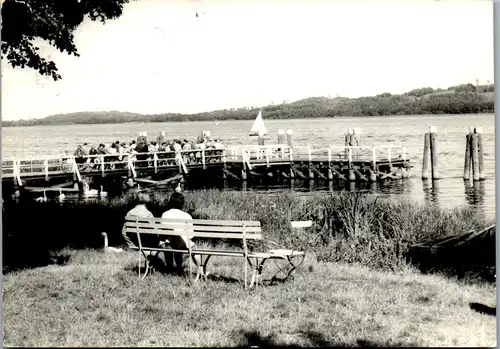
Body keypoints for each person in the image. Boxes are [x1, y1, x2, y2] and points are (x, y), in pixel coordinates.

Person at [161, 192, 200, 275]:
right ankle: (200, 269)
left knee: (171, 241)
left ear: (170, 202)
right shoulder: (186, 216)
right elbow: (191, 235)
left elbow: (162, 232)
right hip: (182, 244)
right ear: (182, 204)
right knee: (191, 245)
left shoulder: (165, 214)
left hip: (169, 243)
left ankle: (170, 268)